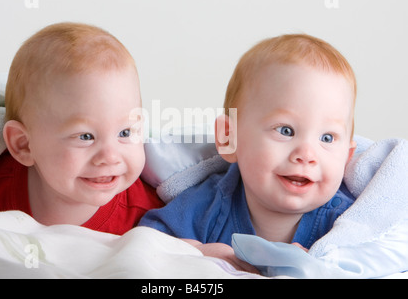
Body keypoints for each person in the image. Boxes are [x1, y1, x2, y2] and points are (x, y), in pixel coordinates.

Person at [139, 34, 357, 269]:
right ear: (229, 138)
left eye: (327, 138)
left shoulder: (347, 226)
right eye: (285, 130)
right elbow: (145, 245)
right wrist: (199, 252)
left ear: (347, 156)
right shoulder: (206, 207)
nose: (306, 154)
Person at [0, 22, 163, 234]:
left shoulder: (148, 222)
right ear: (24, 145)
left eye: (125, 133)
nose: (110, 157)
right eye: (86, 136)